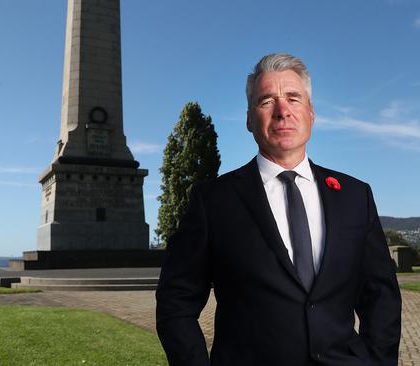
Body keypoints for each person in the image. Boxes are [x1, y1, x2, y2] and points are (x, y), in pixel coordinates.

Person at [156, 53, 401, 366]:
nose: (283, 111)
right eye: (266, 101)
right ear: (248, 119)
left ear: (311, 113)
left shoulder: (355, 196)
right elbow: (175, 301)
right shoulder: (213, 201)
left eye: (294, 98)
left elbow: (381, 296)